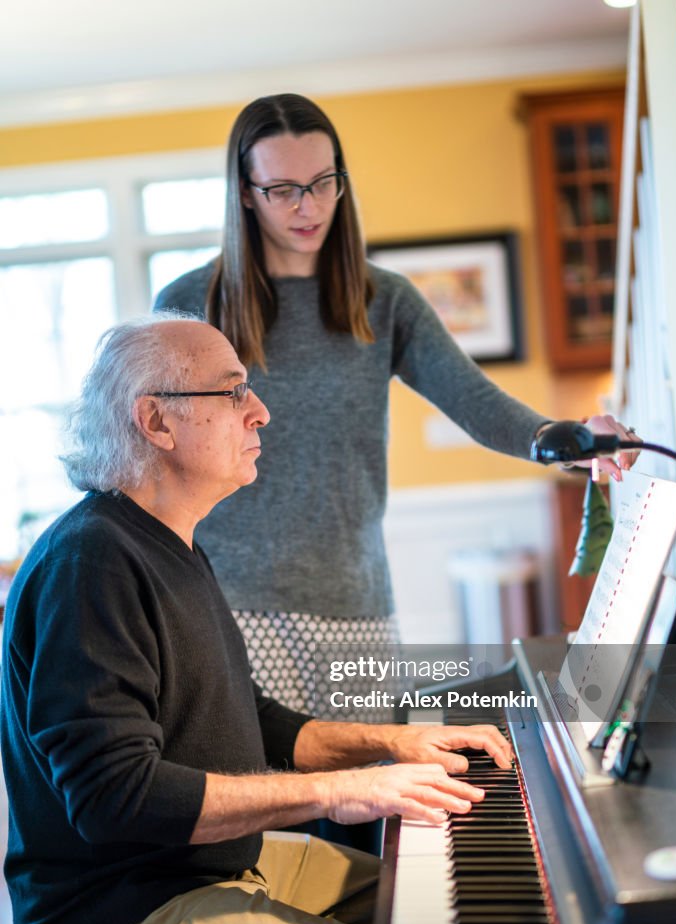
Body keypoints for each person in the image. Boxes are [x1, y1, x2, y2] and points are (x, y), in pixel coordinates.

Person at [0, 313, 514, 924]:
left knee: (454, 901)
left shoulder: (171, 544)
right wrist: (340, 792)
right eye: (234, 391)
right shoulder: (92, 563)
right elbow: (114, 798)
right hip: (121, 917)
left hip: (217, 867)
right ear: (156, 421)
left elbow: (256, 718)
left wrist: (392, 744)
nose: (261, 411)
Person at [154, 92, 635, 721]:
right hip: (227, 602)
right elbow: (156, 448)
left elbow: (472, 399)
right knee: (269, 804)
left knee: (372, 803)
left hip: (358, 604)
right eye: (284, 190)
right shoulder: (193, 302)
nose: (310, 206)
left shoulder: (385, 300)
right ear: (245, 192)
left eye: (325, 183)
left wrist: (566, 437)